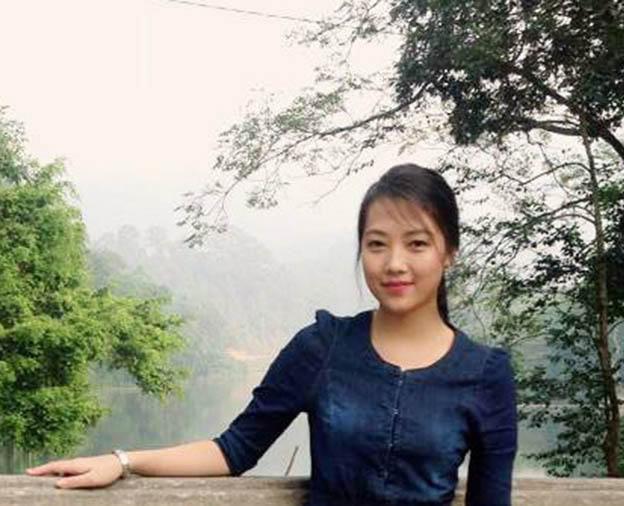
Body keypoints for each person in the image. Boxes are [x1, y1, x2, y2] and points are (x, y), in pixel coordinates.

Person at [25, 163, 518, 505]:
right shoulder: (322, 348)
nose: (394, 263)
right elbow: (234, 450)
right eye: (376, 244)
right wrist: (123, 460)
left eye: (417, 244)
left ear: (448, 252)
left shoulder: (484, 374)